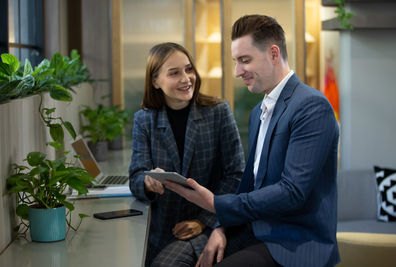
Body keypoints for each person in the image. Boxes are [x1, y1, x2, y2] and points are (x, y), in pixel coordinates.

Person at [165, 15, 340, 267]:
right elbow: (250, 184)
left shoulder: (312, 107)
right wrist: (221, 227)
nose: (237, 72)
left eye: (245, 60)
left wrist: (216, 204)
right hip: (253, 231)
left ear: (273, 53)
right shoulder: (258, 112)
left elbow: (292, 192)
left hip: (293, 243)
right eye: (236, 62)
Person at [129, 42, 245, 267]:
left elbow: (236, 176)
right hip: (162, 232)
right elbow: (135, 177)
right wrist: (147, 181)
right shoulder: (144, 120)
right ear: (155, 81)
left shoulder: (218, 112)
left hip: (208, 227)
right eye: (174, 73)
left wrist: (204, 221)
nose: (186, 78)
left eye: (189, 69)